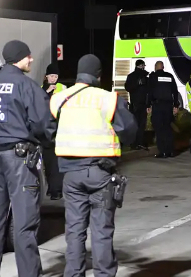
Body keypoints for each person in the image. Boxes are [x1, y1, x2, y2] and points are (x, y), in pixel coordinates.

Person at [50, 54, 137, 277]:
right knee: (101, 231)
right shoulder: (107, 99)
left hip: (70, 174)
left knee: (74, 231)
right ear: (99, 74)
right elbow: (129, 130)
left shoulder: (60, 98)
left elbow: (45, 130)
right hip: (100, 172)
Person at [0, 40, 54, 277]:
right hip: (19, 160)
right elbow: (43, 124)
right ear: (19, 58)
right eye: (28, 56)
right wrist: (47, 141)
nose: (31, 60)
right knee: (24, 225)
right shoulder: (26, 86)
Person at [42, 63, 67, 200]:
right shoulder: (40, 89)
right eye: (51, 76)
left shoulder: (62, 88)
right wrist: (46, 93)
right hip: (45, 130)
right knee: (48, 161)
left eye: (56, 76)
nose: (53, 79)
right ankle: (51, 188)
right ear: (46, 76)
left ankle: (56, 190)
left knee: (57, 161)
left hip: (59, 128)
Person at [146, 61, 179, 158]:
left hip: (158, 106)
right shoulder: (170, 76)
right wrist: (176, 105)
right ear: (163, 67)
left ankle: (163, 151)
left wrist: (148, 105)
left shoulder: (153, 77)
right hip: (168, 106)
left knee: (159, 129)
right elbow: (175, 92)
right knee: (168, 128)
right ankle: (170, 151)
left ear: (156, 67)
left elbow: (149, 92)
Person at [124, 59, 149, 150]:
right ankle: (138, 143)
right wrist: (138, 84)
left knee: (137, 124)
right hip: (140, 104)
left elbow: (127, 87)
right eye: (143, 65)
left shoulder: (132, 76)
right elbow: (128, 87)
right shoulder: (142, 76)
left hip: (136, 104)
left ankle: (135, 143)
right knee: (141, 124)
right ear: (141, 65)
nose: (143, 67)